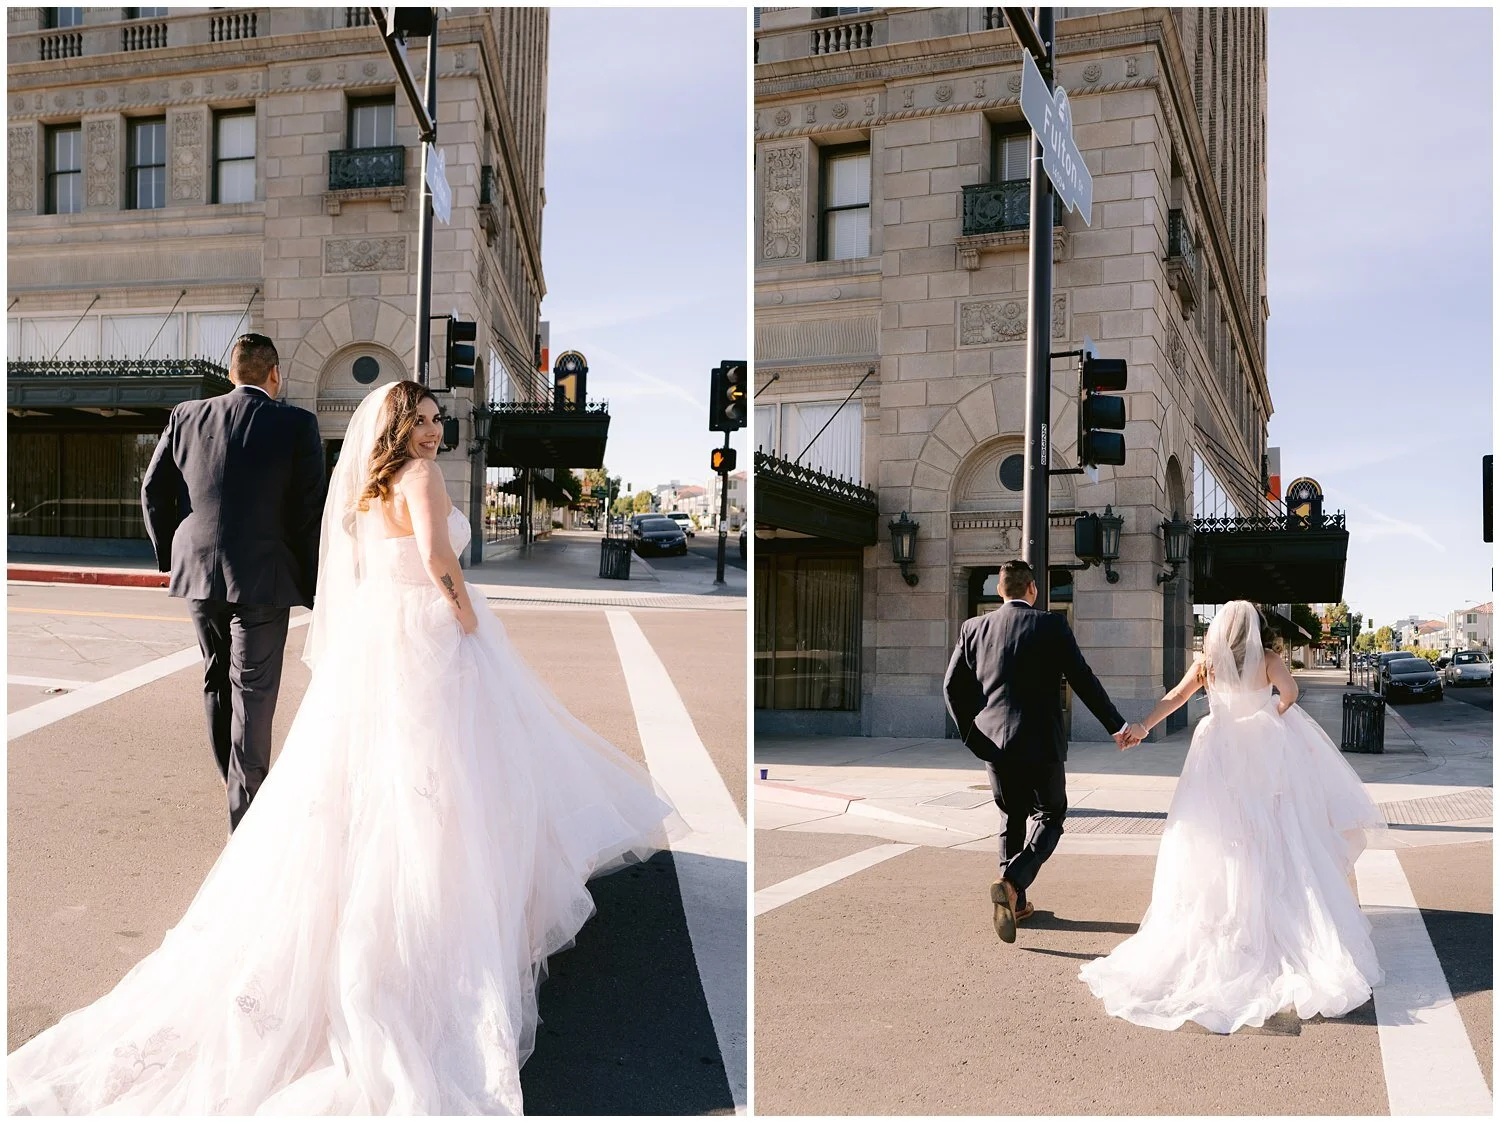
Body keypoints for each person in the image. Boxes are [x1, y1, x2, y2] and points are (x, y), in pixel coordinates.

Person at [10, 381, 679, 1114]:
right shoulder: (420, 479)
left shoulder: (367, 486)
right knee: (446, 781)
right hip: (430, 637)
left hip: (377, 645)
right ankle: (435, 939)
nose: (433, 434)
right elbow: (436, 557)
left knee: (372, 785)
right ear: (397, 426)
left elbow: (364, 574)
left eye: (436, 422)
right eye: (420, 422)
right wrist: (466, 617)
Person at [1079, 600, 1385, 1033]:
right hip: (1263, 753)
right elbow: (1291, 695)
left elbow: (1175, 698)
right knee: (1275, 832)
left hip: (1218, 751)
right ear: (1256, 629)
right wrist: (1268, 716)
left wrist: (1142, 727)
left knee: (1218, 836)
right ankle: (1276, 918)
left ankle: (1226, 920)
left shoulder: (1207, 664)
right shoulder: (1272, 660)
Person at [140, 333, 326, 832]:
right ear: (275, 374)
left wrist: (171, 554)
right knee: (254, 694)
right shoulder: (297, 424)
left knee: (216, 680)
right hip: (264, 580)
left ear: (230, 373)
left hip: (200, 576)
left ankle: (236, 785)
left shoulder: (186, 415)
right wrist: (312, 584)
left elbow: (153, 490)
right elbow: (310, 513)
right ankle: (247, 819)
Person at [943, 559, 1134, 944]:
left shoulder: (973, 628)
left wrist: (973, 736)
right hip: (1041, 741)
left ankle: (1016, 902)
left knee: (1011, 815)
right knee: (1052, 814)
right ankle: (1012, 883)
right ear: (1032, 590)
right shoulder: (1050, 625)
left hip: (994, 743)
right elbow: (1083, 679)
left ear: (1000, 590)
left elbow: (951, 688)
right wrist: (1117, 726)